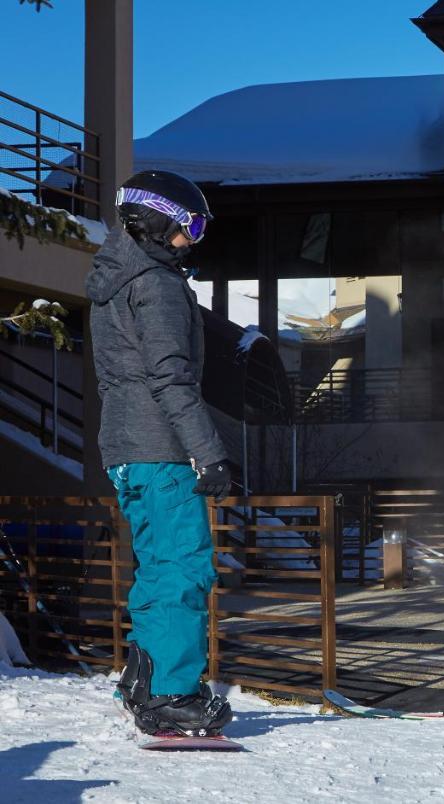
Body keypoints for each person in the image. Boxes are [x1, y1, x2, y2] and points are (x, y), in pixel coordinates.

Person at [86, 170, 234, 737]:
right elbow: (171, 378)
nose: (191, 240)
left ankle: (143, 677)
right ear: (152, 220)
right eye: (187, 227)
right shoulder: (158, 284)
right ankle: (171, 692)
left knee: (156, 565)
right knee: (183, 567)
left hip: (126, 448)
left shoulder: (114, 278)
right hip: (162, 449)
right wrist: (208, 452)